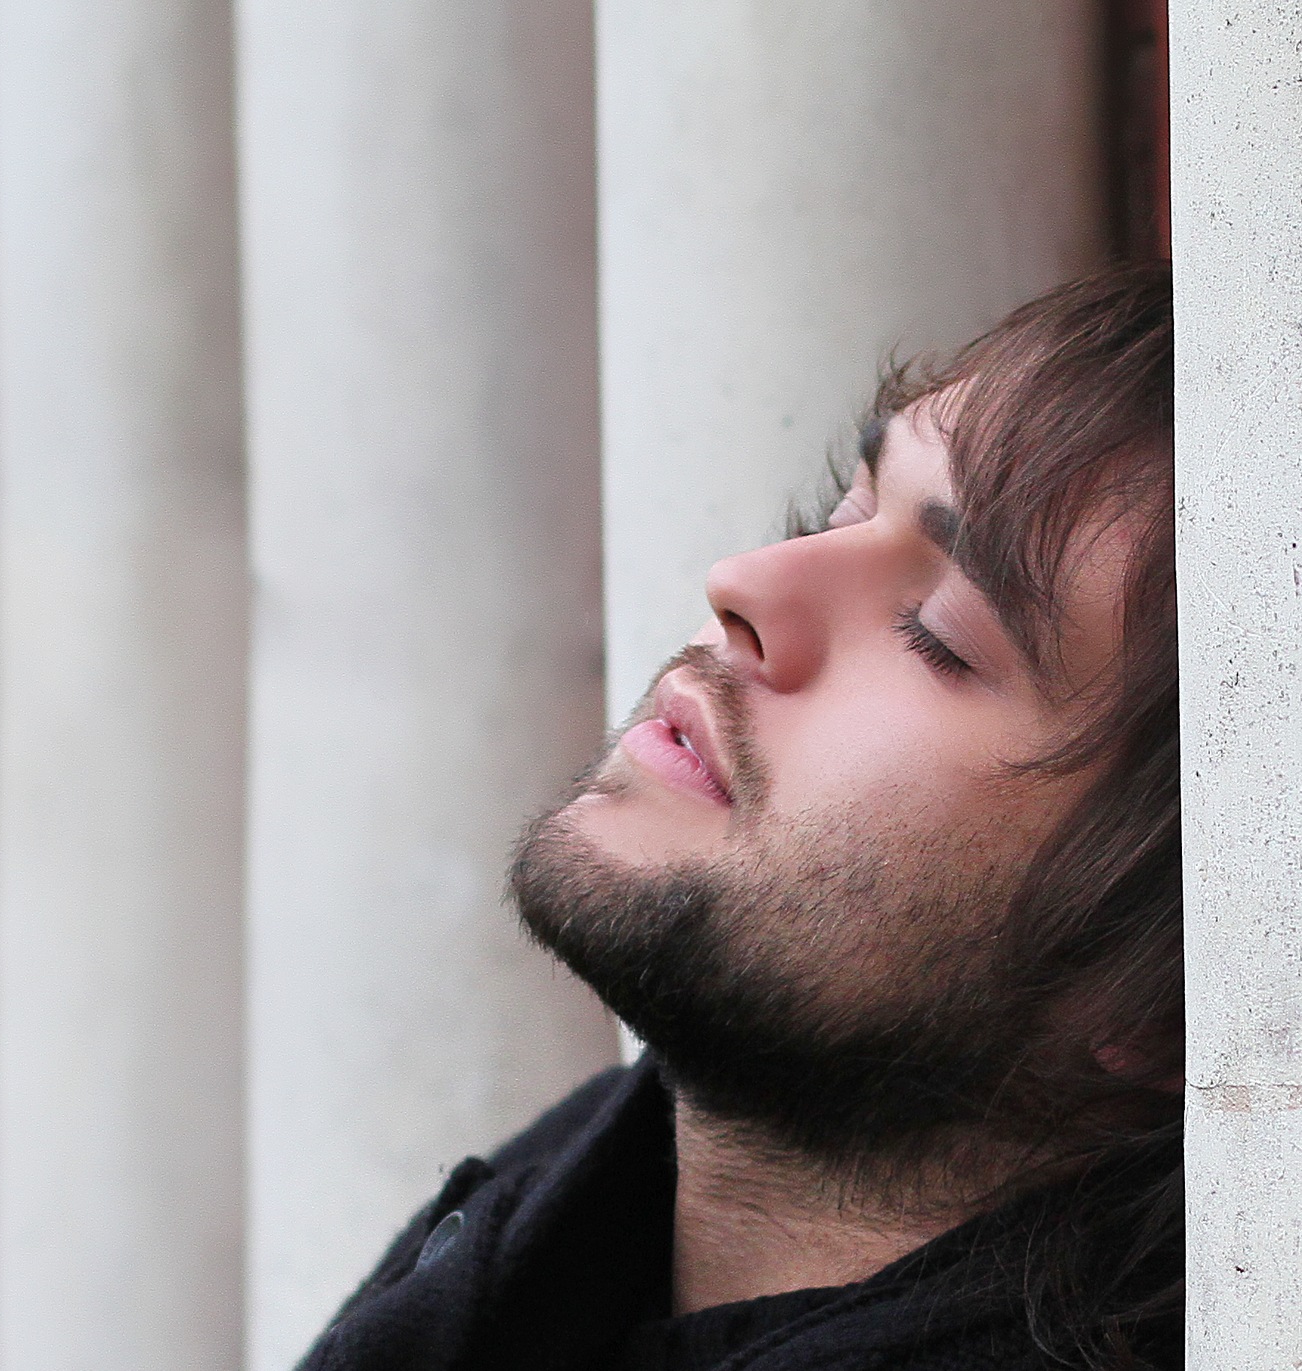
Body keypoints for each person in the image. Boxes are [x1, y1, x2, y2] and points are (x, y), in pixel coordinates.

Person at [300, 265, 1182, 1371]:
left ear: (1162, 1007)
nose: (746, 580)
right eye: (845, 510)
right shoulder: (540, 1242)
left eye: (941, 631)